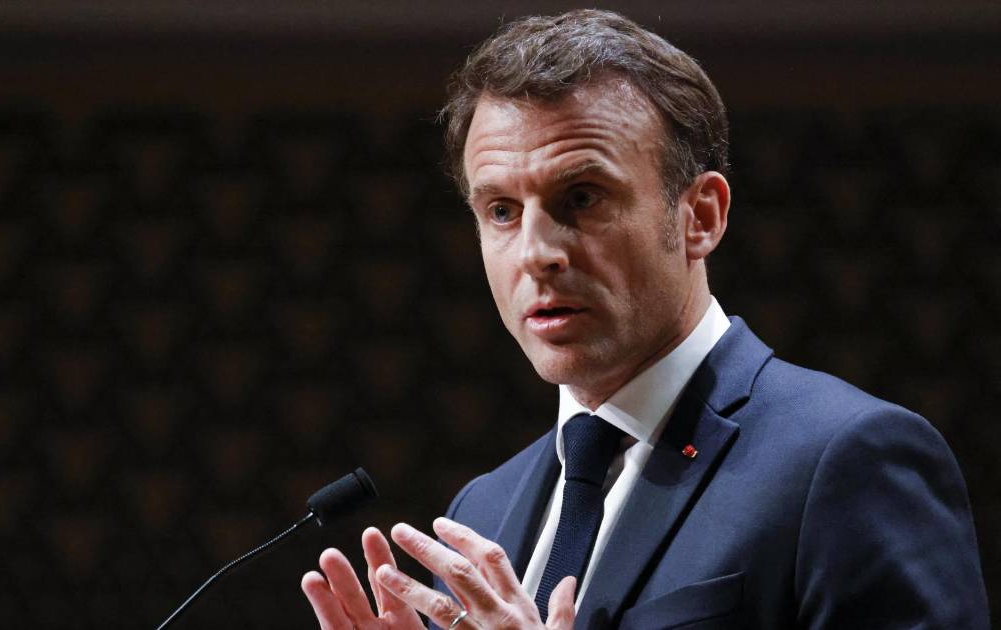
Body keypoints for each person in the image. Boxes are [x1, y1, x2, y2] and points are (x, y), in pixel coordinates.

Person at [301, 9, 989, 629]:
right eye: (502, 211)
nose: (536, 253)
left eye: (582, 197)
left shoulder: (845, 460)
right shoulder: (482, 510)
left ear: (701, 216)